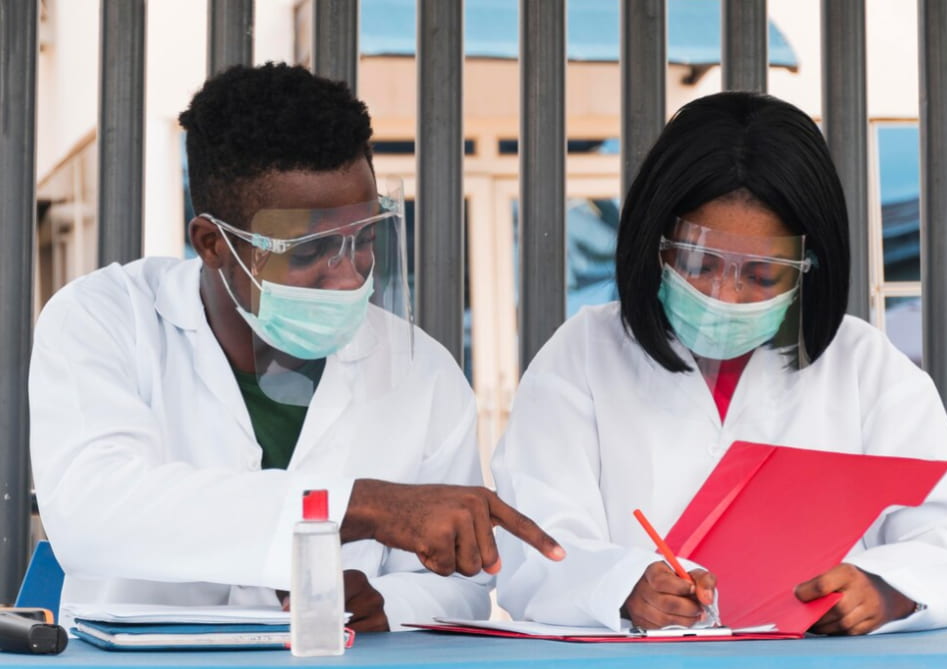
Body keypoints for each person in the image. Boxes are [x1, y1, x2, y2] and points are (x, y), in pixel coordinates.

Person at [29, 62, 562, 632]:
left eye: (362, 238)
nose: (348, 275)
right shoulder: (107, 319)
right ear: (213, 244)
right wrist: (361, 507)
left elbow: (458, 589)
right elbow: (96, 513)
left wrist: (386, 602)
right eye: (308, 251)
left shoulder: (421, 372)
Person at [491, 91, 947, 636]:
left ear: (810, 265)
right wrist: (623, 586)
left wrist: (885, 590)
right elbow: (533, 546)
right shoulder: (582, 356)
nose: (726, 296)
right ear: (655, 244)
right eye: (698, 263)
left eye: (762, 275)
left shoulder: (863, 366)